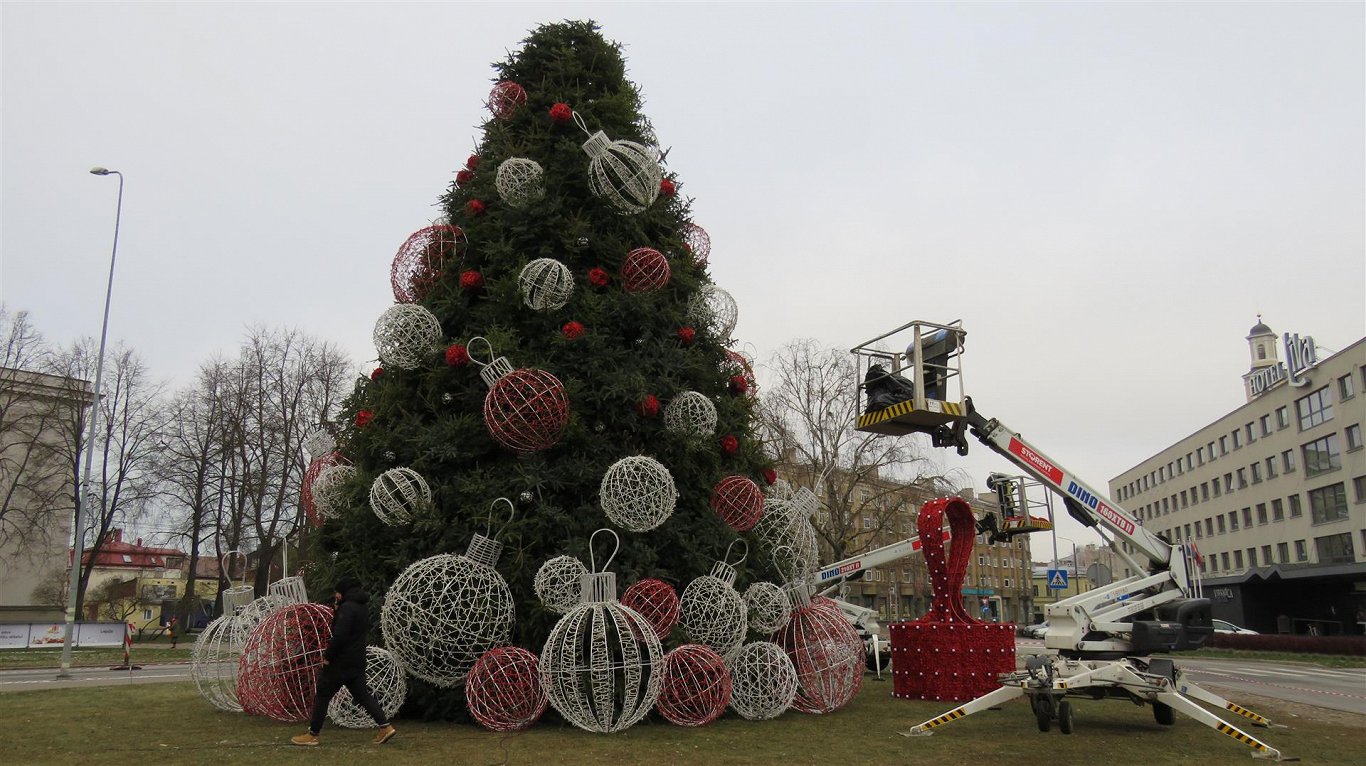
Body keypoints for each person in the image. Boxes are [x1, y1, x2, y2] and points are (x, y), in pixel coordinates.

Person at [291, 578, 397, 747]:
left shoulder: (347, 608)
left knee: (323, 695)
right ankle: (385, 726)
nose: (336, 595)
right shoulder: (361, 607)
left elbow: (340, 636)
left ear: (343, 592)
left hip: (341, 662)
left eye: (337, 592)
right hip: (357, 659)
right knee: (363, 695)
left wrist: (328, 656)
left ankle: (313, 734)